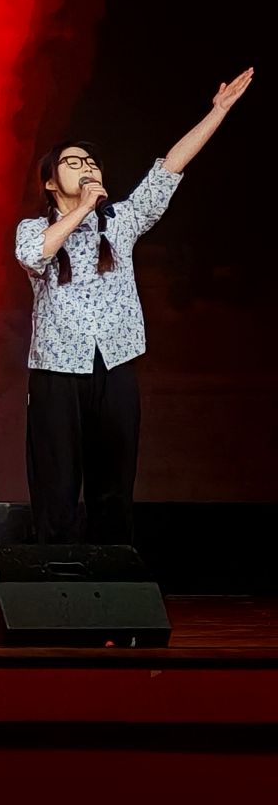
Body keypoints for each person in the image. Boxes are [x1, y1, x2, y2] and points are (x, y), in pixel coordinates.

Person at [16, 66, 253, 547]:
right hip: (57, 370)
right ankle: (53, 575)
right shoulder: (33, 228)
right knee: (57, 483)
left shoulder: (122, 221)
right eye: (73, 162)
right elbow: (33, 254)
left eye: (92, 162)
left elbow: (168, 169)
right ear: (50, 182)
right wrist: (83, 209)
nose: (86, 167)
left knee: (113, 484)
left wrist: (217, 113)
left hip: (115, 365)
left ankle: (113, 573)